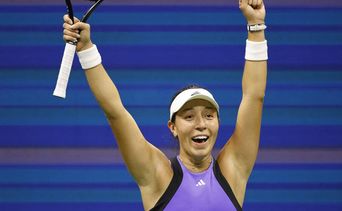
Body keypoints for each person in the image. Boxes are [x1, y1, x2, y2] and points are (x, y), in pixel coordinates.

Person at [62, 0, 267, 210]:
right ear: (173, 127)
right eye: (189, 116)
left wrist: (256, 25)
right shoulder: (157, 175)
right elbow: (115, 112)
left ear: (218, 122)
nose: (201, 124)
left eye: (208, 115)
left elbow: (254, 97)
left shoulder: (234, 168)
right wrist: (86, 48)